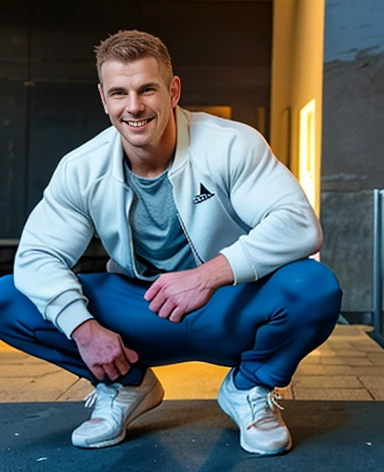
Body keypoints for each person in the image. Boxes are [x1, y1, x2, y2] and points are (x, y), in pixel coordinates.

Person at [0, 30, 342, 455]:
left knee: (314, 285)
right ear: (104, 99)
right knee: (9, 296)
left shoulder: (231, 144)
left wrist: (206, 276)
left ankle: (248, 389)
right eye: (119, 93)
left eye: (148, 89)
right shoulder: (80, 168)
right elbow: (37, 256)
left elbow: (299, 225)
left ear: (173, 90)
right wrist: (83, 328)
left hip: (227, 305)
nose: (134, 106)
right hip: (139, 312)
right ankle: (126, 385)